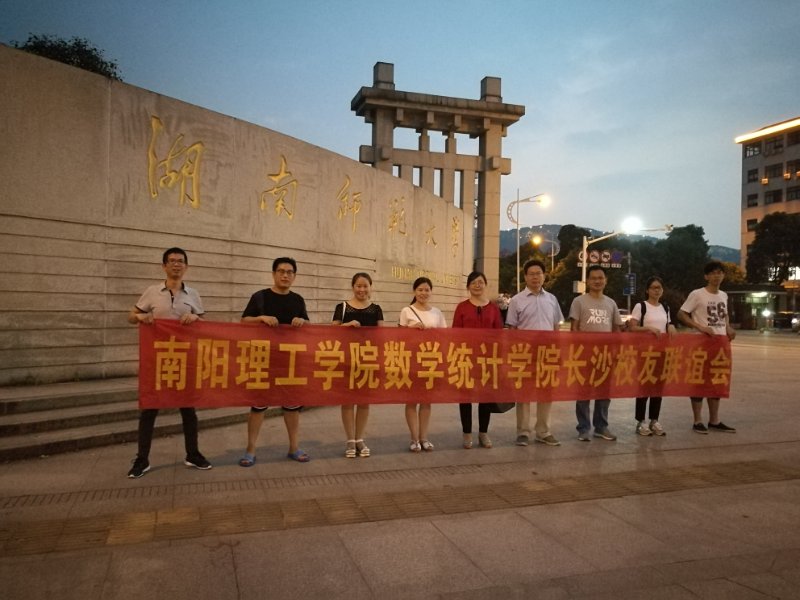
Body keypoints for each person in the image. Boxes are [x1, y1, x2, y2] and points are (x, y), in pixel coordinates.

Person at [126, 247, 212, 478]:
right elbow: (131, 316)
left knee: (188, 409)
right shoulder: (152, 292)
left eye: (180, 261)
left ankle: (192, 454)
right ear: (164, 266)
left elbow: (204, 323)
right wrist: (141, 316)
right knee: (149, 409)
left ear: (186, 266)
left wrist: (195, 317)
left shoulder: (193, 294)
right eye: (172, 261)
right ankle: (142, 459)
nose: (176, 264)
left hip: (184, 360)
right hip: (157, 360)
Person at [239, 257, 311, 466]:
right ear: (273, 274)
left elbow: (308, 325)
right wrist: (261, 318)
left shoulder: (298, 300)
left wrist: (302, 321)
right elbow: (244, 321)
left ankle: (294, 447)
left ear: (294, 276)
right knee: (258, 406)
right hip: (263, 359)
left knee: (292, 406)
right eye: (281, 271)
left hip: (290, 361)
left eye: (289, 272)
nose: (285, 275)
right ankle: (250, 450)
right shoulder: (260, 297)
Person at [505, 259, 564, 447]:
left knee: (546, 392)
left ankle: (543, 431)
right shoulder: (517, 300)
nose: (535, 277)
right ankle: (523, 432)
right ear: (525, 277)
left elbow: (556, 327)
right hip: (525, 354)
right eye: (531, 274)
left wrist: (558, 350)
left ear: (544, 276)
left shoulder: (552, 299)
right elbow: (512, 329)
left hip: (547, 353)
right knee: (524, 393)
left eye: (538, 273)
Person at [677, 261, 737, 434]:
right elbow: (681, 313)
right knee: (698, 381)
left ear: (723, 275)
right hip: (701, 343)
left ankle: (714, 420)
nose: (717, 276)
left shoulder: (724, 295)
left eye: (720, 272)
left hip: (720, 344)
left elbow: (724, 316)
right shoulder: (697, 294)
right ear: (706, 276)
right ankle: (697, 420)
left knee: (717, 380)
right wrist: (700, 327)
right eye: (713, 273)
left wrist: (728, 327)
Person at [332, 272, 384, 458]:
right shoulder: (342, 307)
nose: (362, 289)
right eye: (358, 286)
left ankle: (360, 438)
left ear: (370, 287)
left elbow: (382, 335)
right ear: (352, 287)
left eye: (365, 286)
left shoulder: (376, 309)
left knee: (364, 402)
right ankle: (350, 440)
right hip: (346, 360)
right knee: (347, 402)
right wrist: (346, 326)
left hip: (368, 361)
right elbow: (330, 332)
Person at [569, 265, 623, 442]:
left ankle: (601, 427)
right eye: (593, 278)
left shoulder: (611, 303)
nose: (597, 281)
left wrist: (616, 352)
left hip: (605, 356)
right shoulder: (579, 302)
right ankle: (583, 428)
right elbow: (574, 329)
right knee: (583, 393)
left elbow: (616, 330)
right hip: (584, 355)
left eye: (600, 278)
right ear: (588, 281)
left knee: (604, 393)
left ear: (605, 280)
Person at [452, 271, 504, 449]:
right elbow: (455, 333)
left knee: (485, 397)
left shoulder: (493, 309)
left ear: (485, 285)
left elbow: (499, 334)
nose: (477, 285)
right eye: (473, 282)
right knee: (465, 397)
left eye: (480, 282)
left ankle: (483, 432)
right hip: (466, 358)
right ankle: (467, 433)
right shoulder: (462, 307)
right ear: (468, 286)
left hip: (487, 359)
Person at [399, 276, 447, 452]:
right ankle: (414, 439)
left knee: (426, 401)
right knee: (412, 400)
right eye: (420, 289)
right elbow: (398, 337)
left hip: (430, 360)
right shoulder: (406, 311)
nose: (423, 293)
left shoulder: (437, 313)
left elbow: (444, 337)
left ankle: (424, 437)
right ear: (414, 291)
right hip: (412, 360)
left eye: (427, 290)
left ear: (431, 292)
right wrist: (410, 330)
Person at [629, 276, 676, 436]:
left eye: (659, 288)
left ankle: (654, 420)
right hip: (645, 353)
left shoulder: (665, 307)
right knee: (644, 387)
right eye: (654, 287)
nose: (657, 290)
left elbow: (668, 324)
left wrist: (671, 326)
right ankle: (640, 421)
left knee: (658, 387)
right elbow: (633, 327)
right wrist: (648, 329)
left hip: (661, 352)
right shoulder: (641, 306)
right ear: (647, 290)